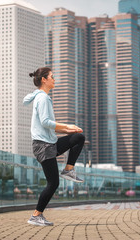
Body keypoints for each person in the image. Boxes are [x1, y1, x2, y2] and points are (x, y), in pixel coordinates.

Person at [23, 67, 85, 226]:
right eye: (52, 76)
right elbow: (46, 122)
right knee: (53, 183)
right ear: (44, 79)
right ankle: (36, 216)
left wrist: (69, 129)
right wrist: (67, 125)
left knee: (78, 137)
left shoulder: (41, 97)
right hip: (43, 146)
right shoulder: (43, 98)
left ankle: (69, 170)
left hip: (49, 143)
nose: (54, 79)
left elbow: (50, 126)